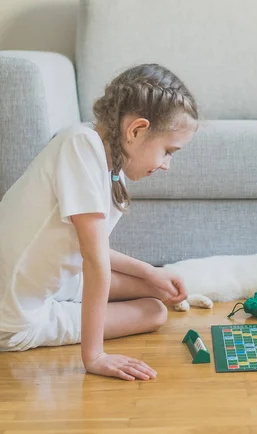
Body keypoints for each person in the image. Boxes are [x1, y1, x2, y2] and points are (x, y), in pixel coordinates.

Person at [0, 63, 200, 381]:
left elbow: (89, 248)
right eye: (168, 151)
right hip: (17, 315)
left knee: (154, 290)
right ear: (136, 130)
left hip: (49, 283)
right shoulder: (81, 147)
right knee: (154, 311)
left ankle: (147, 281)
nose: (166, 165)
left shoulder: (105, 161)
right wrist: (95, 356)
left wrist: (151, 272)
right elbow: (94, 260)